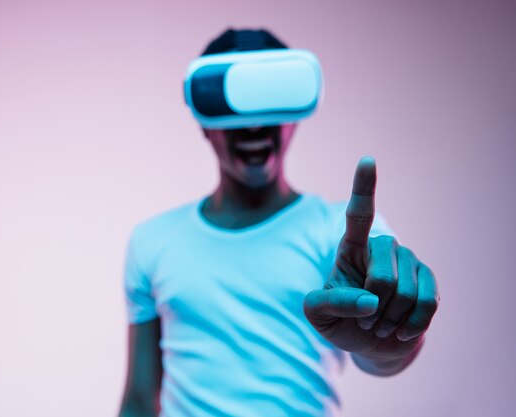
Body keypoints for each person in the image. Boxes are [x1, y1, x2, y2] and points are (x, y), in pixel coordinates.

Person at [118, 28, 439, 417]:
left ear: (294, 119)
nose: (254, 125)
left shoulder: (341, 236)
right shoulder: (152, 241)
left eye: (271, 101)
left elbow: (381, 349)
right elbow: (138, 399)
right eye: (231, 105)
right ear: (204, 122)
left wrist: (388, 346)